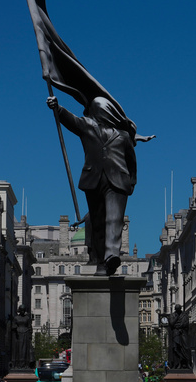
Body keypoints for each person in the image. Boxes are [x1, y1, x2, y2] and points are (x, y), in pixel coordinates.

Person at [46, 95, 153, 275]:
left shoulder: (124, 136)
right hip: (93, 180)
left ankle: (112, 255)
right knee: (96, 222)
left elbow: (131, 162)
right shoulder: (87, 126)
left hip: (118, 182)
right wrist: (57, 108)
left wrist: (131, 183)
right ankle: (102, 262)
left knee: (114, 218)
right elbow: (70, 120)